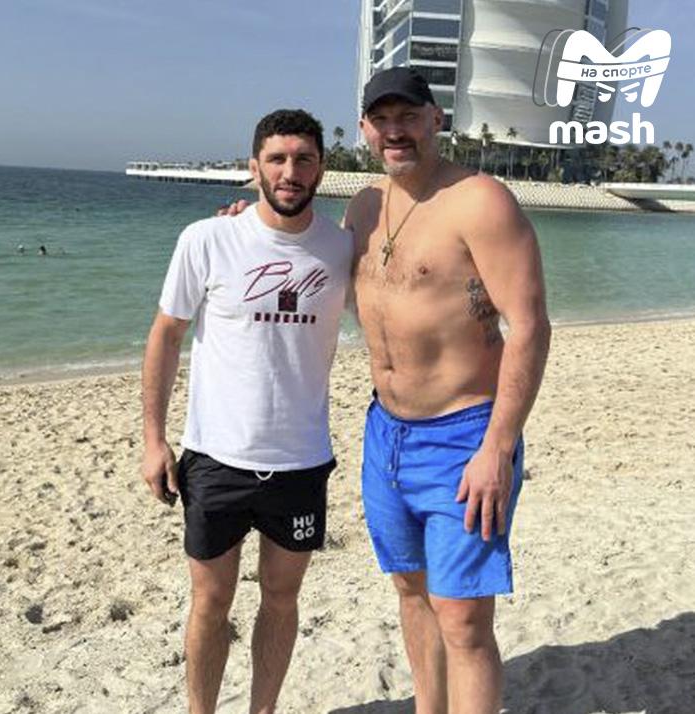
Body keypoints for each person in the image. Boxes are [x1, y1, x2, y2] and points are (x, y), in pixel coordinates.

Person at [343, 67, 551, 714]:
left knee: (462, 619)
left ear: (436, 119)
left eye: (408, 116)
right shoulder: (363, 207)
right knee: (411, 594)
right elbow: (310, 270)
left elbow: (529, 326)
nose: (395, 131)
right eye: (382, 120)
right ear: (364, 129)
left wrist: (498, 447)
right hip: (386, 434)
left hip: (465, 436)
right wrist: (249, 228)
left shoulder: (480, 201)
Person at [141, 109, 353, 714]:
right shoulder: (207, 239)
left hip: (301, 460)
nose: (290, 171)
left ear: (321, 168)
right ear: (254, 167)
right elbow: (166, 334)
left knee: (281, 601)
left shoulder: (343, 249)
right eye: (277, 159)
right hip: (216, 458)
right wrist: (153, 439)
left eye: (304, 159)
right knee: (210, 602)